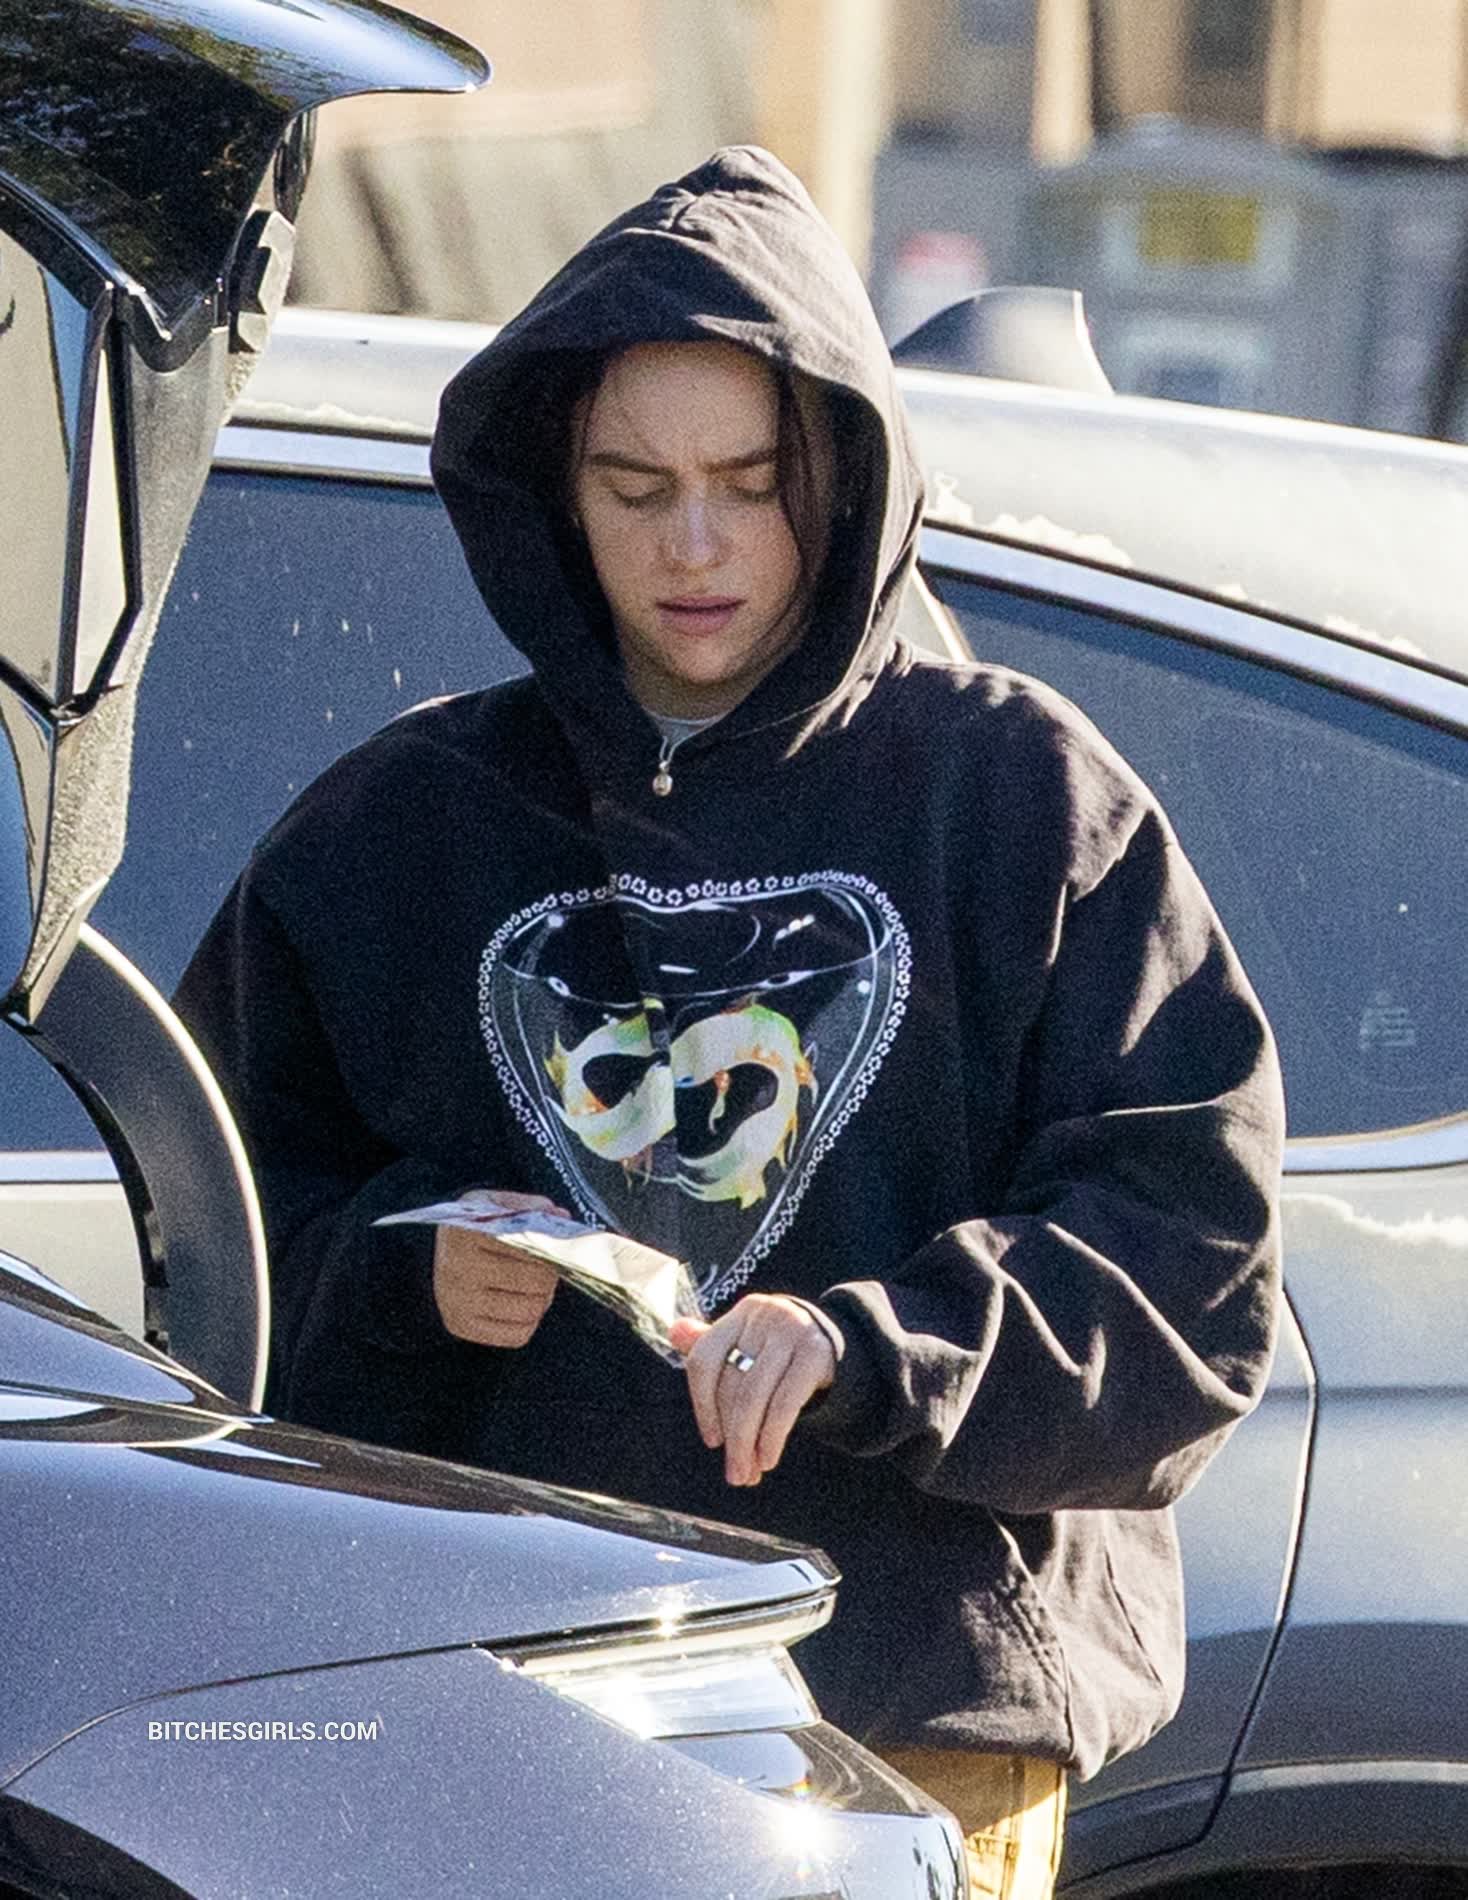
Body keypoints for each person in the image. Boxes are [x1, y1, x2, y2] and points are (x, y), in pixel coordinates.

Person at [175, 147, 1285, 1897]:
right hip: (496, 1728)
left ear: (839, 478)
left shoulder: (1019, 796)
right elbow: (201, 1258)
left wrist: (872, 1348)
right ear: (554, 492)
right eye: (634, 489)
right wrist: (401, 1281)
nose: (691, 547)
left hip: (909, 1727)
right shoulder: (395, 829)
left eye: (748, 487)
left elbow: (1190, 1278)